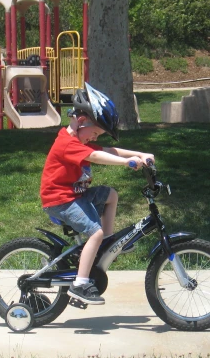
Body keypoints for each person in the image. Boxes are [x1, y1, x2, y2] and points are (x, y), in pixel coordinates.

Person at [40, 83, 155, 305]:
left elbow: (106, 151)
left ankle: (107, 244)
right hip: (61, 201)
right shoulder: (67, 143)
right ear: (82, 121)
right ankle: (80, 284)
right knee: (94, 232)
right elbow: (96, 157)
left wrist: (139, 153)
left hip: (75, 195)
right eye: (95, 133)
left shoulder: (79, 140)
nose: (94, 138)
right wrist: (126, 163)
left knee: (110, 195)